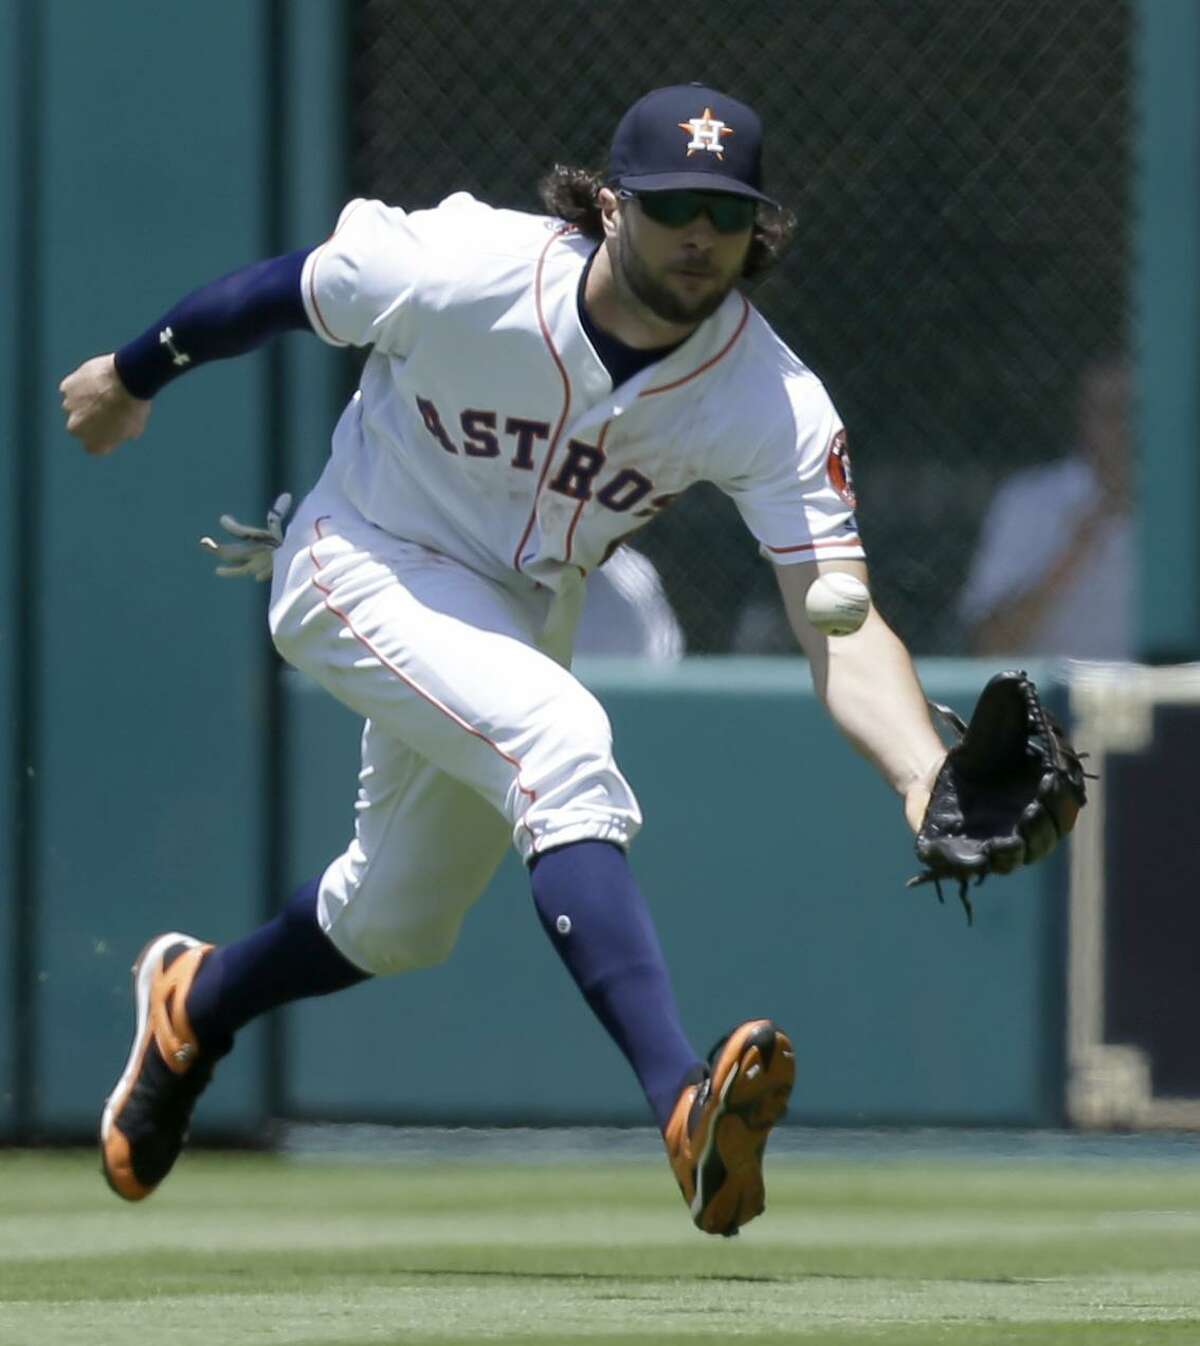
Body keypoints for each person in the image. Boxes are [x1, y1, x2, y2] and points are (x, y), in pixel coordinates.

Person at [60, 83, 949, 1237]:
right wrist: (134, 373)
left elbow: (841, 622)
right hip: (362, 556)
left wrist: (924, 775)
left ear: (757, 230)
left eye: (726, 213)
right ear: (611, 204)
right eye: (673, 204)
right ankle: (683, 1103)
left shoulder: (768, 399)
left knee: (394, 920)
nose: (699, 235)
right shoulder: (465, 265)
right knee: (562, 742)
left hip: (523, 609)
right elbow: (288, 289)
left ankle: (195, 999)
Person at [958, 358, 1132, 659]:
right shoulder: (1028, 502)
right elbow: (989, 645)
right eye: (1111, 411)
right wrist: (1073, 552)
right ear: (1084, 418)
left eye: (1136, 410)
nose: (1125, 427)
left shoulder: (1186, 507)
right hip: (1052, 701)